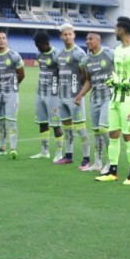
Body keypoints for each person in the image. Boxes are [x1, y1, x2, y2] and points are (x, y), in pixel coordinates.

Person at [95, 16, 130, 185]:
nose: (114, 31)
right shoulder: (116, 50)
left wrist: (122, 82)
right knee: (113, 134)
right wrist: (112, 80)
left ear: (122, 30)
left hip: (129, 99)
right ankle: (113, 171)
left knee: (128, 135)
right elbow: (116, 73)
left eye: (116, 28)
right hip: (115, 97)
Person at [75, 32, 114, 173]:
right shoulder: (86, 59)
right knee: (97, 131)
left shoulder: (110, 53)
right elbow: (89, 80)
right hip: (95, 99)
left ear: (99, 40)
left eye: (90, 39)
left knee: (103, 128)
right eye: (86, 39)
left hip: (109, 97)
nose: (87, 41)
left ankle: (111, 161)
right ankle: (97, 162)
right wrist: (80, 95)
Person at [54, 23, 90, 168]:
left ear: (74, 35)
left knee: (80, 128)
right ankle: (68, 155)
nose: (68, 37)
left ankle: (86, 158)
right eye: (65, 34)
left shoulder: (79, 53)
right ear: (61, 37)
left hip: (75, 96)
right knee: (67, 127)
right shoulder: (60, 54)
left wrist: (79, 93)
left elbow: (85, 74)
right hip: (62, 96)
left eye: (70, 34)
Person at [0, 31, 25, 159]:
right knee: (0, 122)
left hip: (11, 93)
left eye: (3, 38)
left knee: (11, 121)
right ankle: (2, 148)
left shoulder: (14, 55)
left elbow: (21, 74)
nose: (1, 40)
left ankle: (13, 148)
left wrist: (13, 85)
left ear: (6, 40)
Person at [30, 31, 64, 160]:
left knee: (55, 124)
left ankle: (59, 153)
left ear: (45, 43)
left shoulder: (57, 54)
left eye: (38, 45)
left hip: (53, 93)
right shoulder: (38, 54)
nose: (37, 47)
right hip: (40, 92)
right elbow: (42, 70)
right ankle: (44, 151)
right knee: (42, 122)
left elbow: (63, 74)